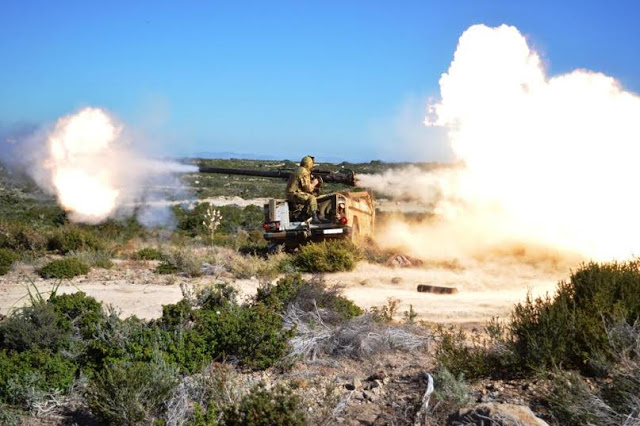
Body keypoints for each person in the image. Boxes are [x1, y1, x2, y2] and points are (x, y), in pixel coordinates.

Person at [286, 155, 320, 222]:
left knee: (307, 199)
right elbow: (308, 188)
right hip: (294, 194)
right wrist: (314, 183)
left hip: (291, 194)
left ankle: (302, 215)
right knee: (312, 198)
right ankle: (315, 218)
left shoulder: (298, 170)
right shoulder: (304, 172)